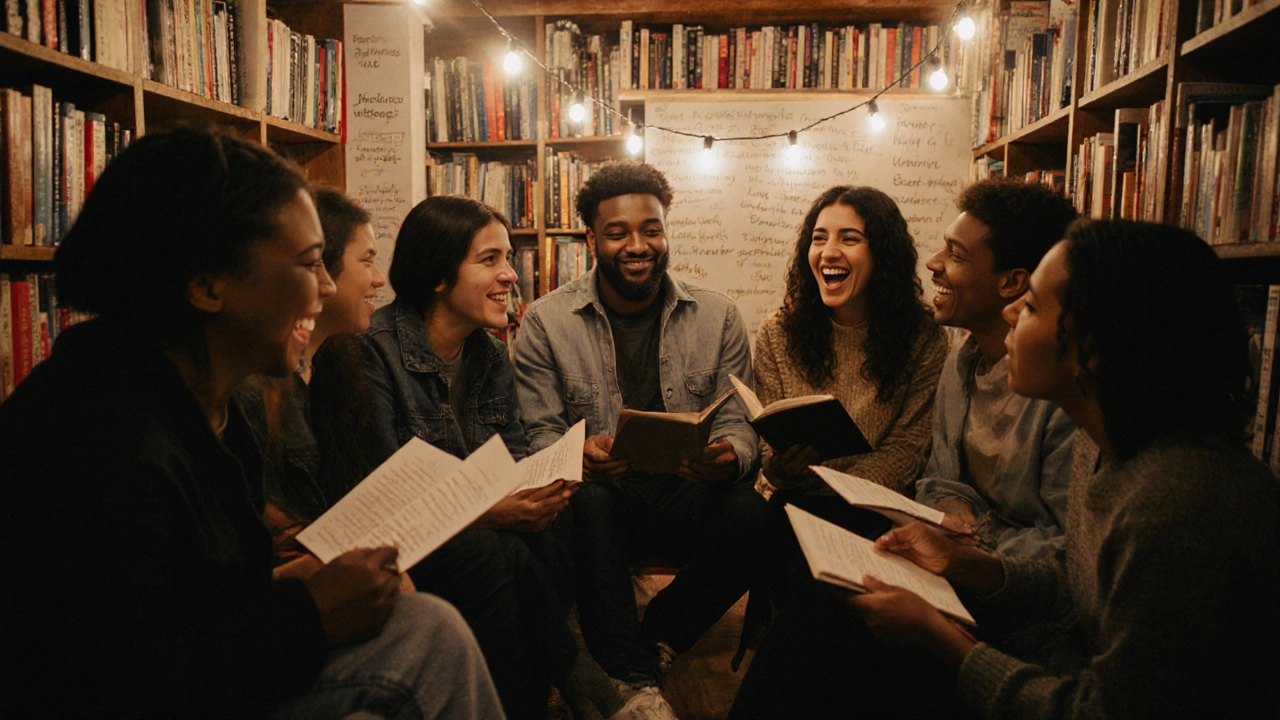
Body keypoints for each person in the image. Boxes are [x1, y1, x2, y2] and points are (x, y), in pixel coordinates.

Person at [0, 128, 501, 719]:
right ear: (209, 285)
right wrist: (310, 612)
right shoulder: (96, 441)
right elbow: (117, 682)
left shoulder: (206, 400)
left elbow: (202, 604)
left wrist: (303, 581)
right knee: (429, 640)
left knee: (424, 624)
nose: (326, 287)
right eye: (310, 263)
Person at [849, 219, 1280, 718]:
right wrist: (963, 561)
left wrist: (942, 639)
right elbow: (1079, 582)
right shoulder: (1102, 445)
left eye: (1030, 305)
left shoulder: (1176, 509)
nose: (1009, 314)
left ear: (1092, 348)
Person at [347, 194, 624, 720]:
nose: (511, 276)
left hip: (482, 527)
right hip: (407, 543)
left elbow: (513, 456)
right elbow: (382, 489)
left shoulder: (490, 353)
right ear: (437, 275)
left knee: (565, 516)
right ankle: (580, 683)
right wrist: (492, 512)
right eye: (490, 259)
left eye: (510, 259)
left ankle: (552, 691)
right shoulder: (374, 352)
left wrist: (540, 488)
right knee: (501, 550)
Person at [512, 162, 771, 713]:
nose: (638, 245)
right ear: (591, 240)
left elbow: (737, 420)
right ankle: (630, 676)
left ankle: (657, 636)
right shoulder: (545, 321)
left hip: (687, 489)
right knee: (588, 497)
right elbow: (539, 430)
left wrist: (731, 457)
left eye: (651, 229)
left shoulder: (719, 315)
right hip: (605, 498)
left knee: (754, 514)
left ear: (665, 230)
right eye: (618, 232)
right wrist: (577, 452)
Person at [755, 185, 949, 524]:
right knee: (739, 515)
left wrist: (837, 490)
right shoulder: (777, 332)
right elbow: (769, 445)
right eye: (819, 238)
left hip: (870, 506)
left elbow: (909, 448)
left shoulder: (924, 336)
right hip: (793, 496)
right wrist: (785, 465)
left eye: (849, 239)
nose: (828, 252)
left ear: (882, 254)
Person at [915, 179, 1079, 559]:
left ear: (1012, 282)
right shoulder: (960, 359)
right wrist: (947, 505)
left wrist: (978, 537)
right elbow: (939, 477)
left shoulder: (1060, 392)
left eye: (955, 255)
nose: (933, 262)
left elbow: (1068, 549)